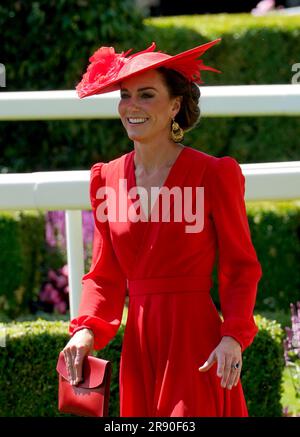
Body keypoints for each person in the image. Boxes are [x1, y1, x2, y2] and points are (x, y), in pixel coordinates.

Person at [62, 39, 263, 417]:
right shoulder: (106, 178)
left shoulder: (213, 175)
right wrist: (86, 329)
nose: (131, 106)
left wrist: (233, 336)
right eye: (125, 95)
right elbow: (104, 276)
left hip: (197, 346)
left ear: (174, 105)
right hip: (139, 348)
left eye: (147, 94)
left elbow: (240, 267)